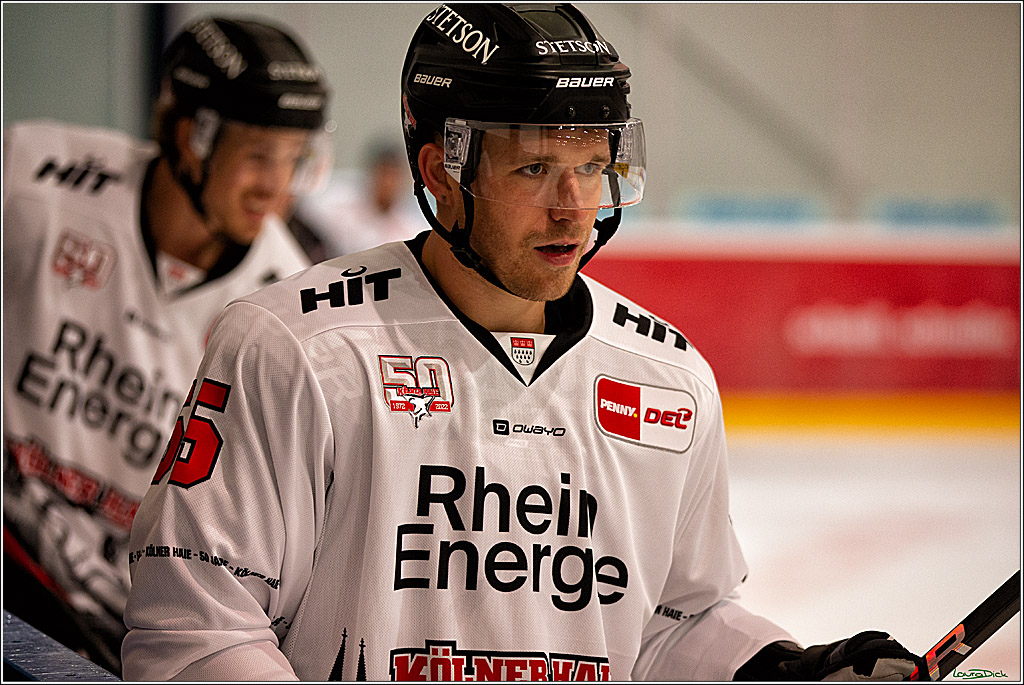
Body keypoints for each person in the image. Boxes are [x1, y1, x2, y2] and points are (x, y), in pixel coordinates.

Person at [122, 4, 928, 681]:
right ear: (442, 172)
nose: (574, 207)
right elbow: (194, 631)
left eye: (593, 164)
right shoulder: (295, 346)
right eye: (537, 168)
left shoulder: (669, 378)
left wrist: (786, 667)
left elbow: (676, 621)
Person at [2, 16, 330, 674]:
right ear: (189, 134)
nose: (275, 185)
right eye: (257, 154)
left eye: (294, 159)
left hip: (116, 631)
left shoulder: (288, 306)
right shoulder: (32, 175)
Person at [294, 140, 426, 260]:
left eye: (394, 177)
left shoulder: (410, 228)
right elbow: (304, 211)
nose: (388, 183)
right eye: (384, 174)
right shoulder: (339, 203)